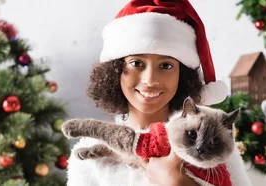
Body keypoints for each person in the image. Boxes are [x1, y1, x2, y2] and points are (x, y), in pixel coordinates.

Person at [66, 0, 253, 185]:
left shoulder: (221, 151)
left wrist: (178, 183)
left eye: (166, 65)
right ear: (114, 70)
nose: (150, 79)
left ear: (183, 75)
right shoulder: (86, 155)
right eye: (136, 63)